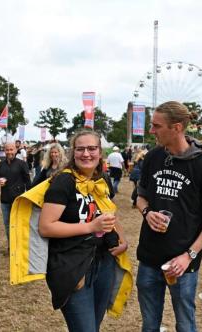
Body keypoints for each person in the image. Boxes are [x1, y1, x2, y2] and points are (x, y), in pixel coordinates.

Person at [136, 101, 202, 332]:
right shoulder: (153, 157)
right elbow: (140, 197)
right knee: (149, 324)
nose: (151, 130)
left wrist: (189, 256)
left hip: (183, 263)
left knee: (185, 325)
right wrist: (147, 213)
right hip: (149, 257)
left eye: (156, 125)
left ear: (176, 127)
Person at [38, 130, 129, 331]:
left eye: (92, 148)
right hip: (73, 265)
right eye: (80, 149)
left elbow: (110, 210)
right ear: (73, 152)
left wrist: (122, 240)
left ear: (100, 152)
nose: (86, 154)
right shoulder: (64, 181)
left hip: (104, 263)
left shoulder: (102, 179)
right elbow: (46, 226)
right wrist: (90, 226)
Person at [0, 142, 31, 247]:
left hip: (18, 200)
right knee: (8, 225)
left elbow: (28, 182)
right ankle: (11, 246)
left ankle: (20, 246)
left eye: (11, 149)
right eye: (7, 150)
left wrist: (30, 197)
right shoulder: (1, 164)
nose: (9, 152)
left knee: (18, 225)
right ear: (4, 151)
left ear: (16, 150)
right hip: (4, 200)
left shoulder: (22, 164)